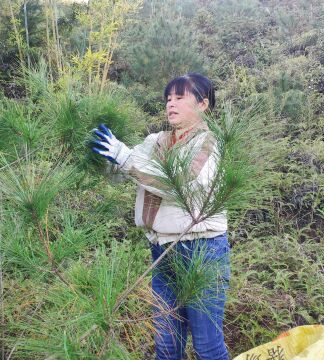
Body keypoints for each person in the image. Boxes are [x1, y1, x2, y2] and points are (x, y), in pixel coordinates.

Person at [91, 73, 230, 360]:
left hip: (202, 250)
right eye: (168, 98)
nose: (171, 104)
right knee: (167, 346)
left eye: (180, 97)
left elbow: (180, 183)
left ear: (203, 104)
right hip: (162, 249)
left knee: (207, 345)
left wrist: (125, 158)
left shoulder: (209, 143)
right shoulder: (156, 141)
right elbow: (127, 173)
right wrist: (106, 159)